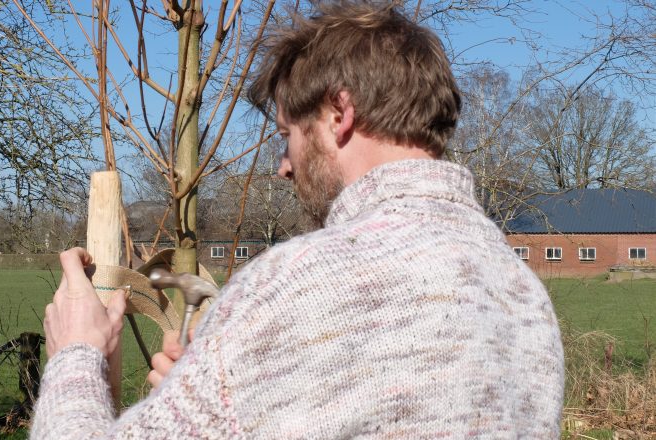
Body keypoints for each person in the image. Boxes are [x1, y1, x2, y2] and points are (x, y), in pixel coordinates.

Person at [30, 2, 564, 438]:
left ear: (338, 112)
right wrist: (222, 394)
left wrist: (77, 355)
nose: (284, 166)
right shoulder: (523, 296)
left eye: (288, 133)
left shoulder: (302, 284)